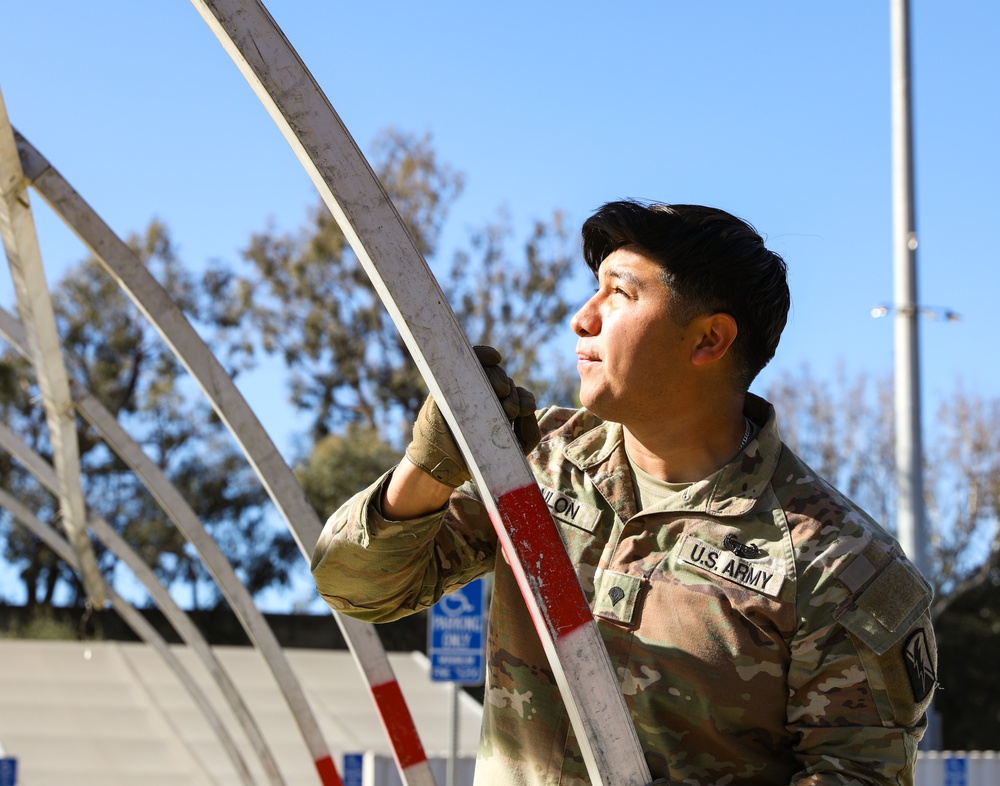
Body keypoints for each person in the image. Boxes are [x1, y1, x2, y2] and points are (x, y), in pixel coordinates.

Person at [312, 200, 937, 785]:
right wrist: (430, 467)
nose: (581, 318)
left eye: (620, 293)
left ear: (709, 340)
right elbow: (355, 588)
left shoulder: (839, 563)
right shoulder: (534, 460)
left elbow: (856, 771)